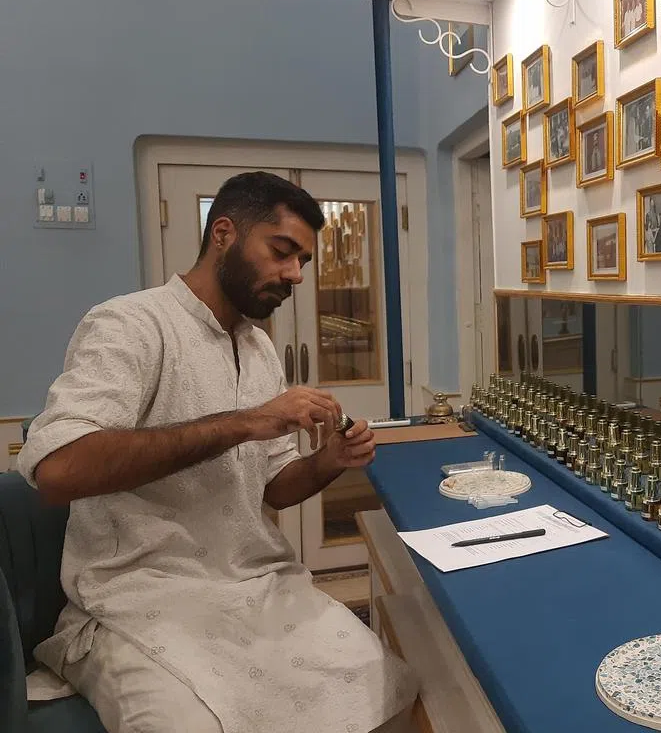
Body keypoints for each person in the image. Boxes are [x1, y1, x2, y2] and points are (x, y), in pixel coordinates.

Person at [17, 172, 417, 732]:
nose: (295, 274)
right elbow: (58, 470)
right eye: (282, 252)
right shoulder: (131, 325)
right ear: (223, 233)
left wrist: (331, 461)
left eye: (302, 259)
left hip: (254, 586)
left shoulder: (258, 350)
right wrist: (249, 421)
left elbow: (275, 485)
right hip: (135, 599)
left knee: (386, 685)